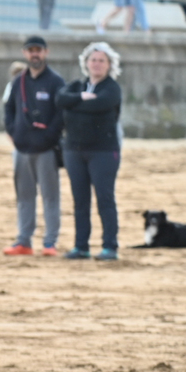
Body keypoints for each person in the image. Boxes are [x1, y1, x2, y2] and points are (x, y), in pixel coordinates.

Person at [57, 41, 123, 261]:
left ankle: (110, 246)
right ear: (85, 62)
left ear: (109, 64)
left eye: (101, 60)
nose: (97, 64)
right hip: (74, 151)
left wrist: (74, 106)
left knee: (105, 198)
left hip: (103, 151)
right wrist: (80, 98)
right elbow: (60, 99)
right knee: (80, 201)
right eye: (93, 59)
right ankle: (81, 246)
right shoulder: (77, 86)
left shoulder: (112, 88)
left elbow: (100, 105)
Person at [3, 35, 65, 257]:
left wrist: (49, 136)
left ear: (46, 52)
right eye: (31, 50)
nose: (35, 54)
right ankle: (24, 241)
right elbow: (8, 110)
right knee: (24, 197)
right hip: (22, 149)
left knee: (50, 197)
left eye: (38, 50)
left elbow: (61, 114)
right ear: (25, 53)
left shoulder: (56, 82)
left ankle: (50, 243)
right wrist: (14, 133)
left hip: (46, 150)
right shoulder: (17, 82)